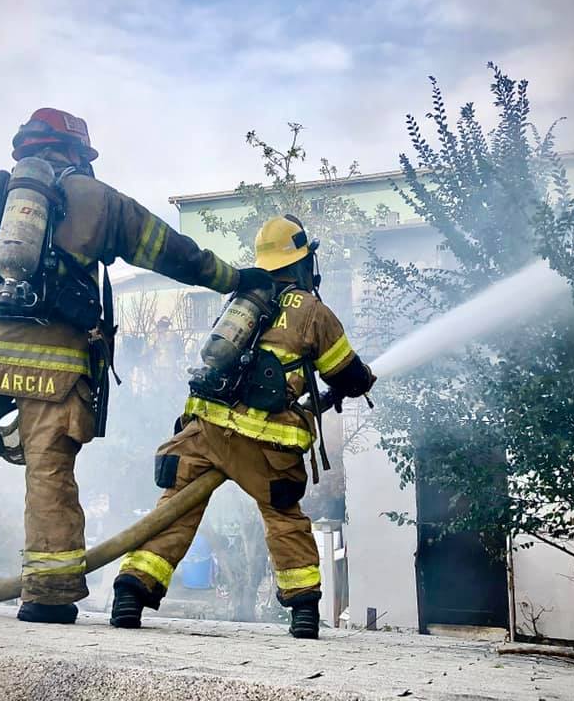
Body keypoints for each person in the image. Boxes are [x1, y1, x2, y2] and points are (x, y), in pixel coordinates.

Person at [0, 108, 272, 624]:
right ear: (78, 154)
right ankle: (50, 593)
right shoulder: (99, 200)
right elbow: (171, 253)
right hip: (57, 370)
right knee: (50, 471)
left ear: (25, 149)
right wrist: (233, 278)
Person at [110, 214, 375, 639]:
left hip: (204, 430)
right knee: (284, 518)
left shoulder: (242, 302)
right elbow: (344, 373)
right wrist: (362, 380)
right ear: (302, 262)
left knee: (175, 508)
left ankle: (130, 594)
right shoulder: (312, 312)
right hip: (265, 444)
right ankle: (304, 613)